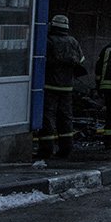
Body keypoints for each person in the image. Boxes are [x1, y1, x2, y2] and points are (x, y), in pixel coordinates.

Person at [37, 14, 87, 159]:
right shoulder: (73, 41)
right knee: (65, 118)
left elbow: (41, 61)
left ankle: (46, 149)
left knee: (47, 117)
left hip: (49, 85)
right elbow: (81, 62)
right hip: (67, 87)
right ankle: (66, 148)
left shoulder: (48, 41)